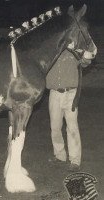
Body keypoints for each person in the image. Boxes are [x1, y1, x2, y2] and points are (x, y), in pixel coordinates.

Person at [46, 44, 93, 172]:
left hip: (71, 94)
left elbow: (86, 62)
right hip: (54, 93)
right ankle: (60, 155)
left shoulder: (74, 50)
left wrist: (84, 53)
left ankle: (75, 160)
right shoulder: (52, 50)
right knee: (55, 127)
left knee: (72, 127)